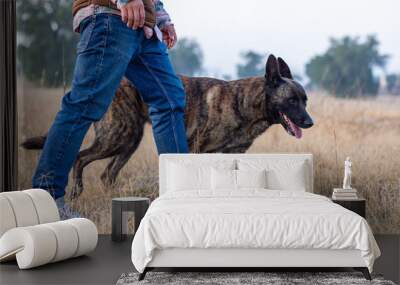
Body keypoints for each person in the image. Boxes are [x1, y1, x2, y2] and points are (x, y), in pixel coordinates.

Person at [32, 0, 189, 218]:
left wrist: (161, 18)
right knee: (84, 104)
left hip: (144, 26)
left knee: (169, 100)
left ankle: (182, 197)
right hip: (110, 17)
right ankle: (44, 202)